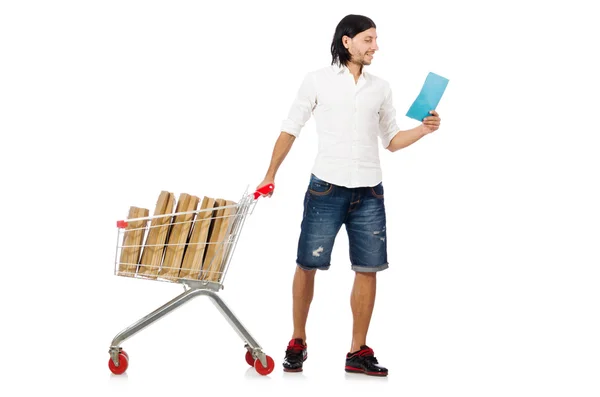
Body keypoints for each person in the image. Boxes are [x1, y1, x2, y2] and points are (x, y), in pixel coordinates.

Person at [256, 14, 441, 376]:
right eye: (368, 40)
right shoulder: (317, 81)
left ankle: (358, 350)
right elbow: (290, 128)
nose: (375, 47)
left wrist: (423, 130)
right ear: (347, 41)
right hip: (325, 188)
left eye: (375, 40)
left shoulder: (381, 88)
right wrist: (270, 174)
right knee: (308, 264)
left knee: (368, 269)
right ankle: (298, 340)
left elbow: (390, 141)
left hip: (369, 192)